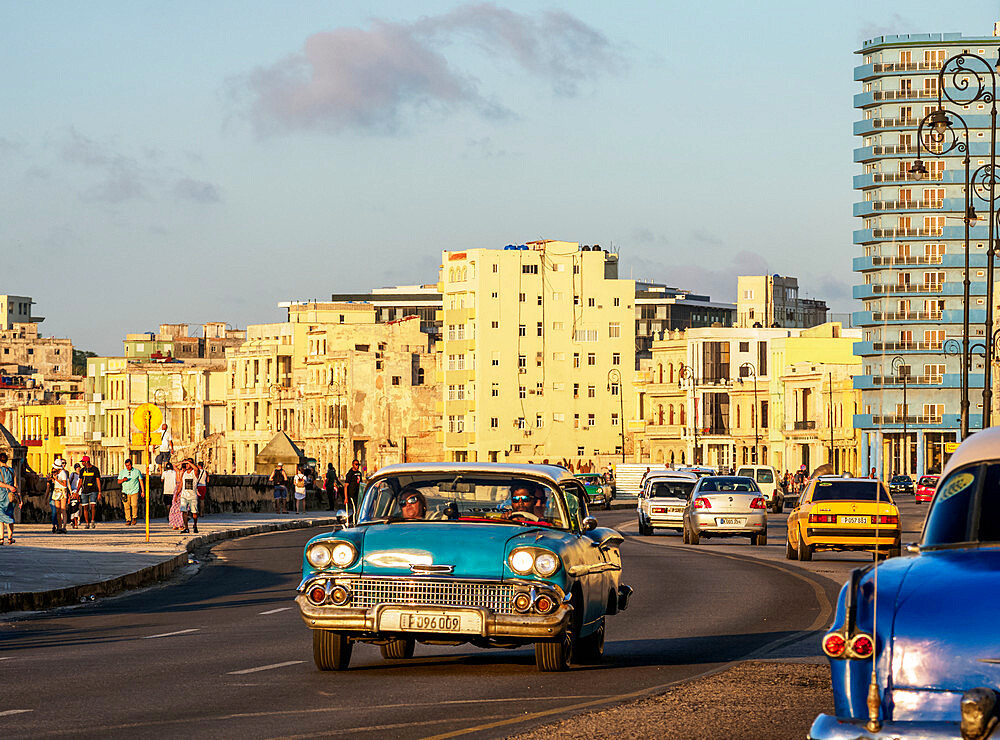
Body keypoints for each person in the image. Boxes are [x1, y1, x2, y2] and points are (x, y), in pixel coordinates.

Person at [117, 458, 144, 526]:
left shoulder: (137, 471)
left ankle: (134, 517)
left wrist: (143, 491)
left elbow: (140, 481)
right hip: (125, 491)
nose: (128, 467)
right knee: (126, 506)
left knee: (134, 505)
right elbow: (118, 481)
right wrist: (123, 480)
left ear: (131, 465)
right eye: (126, 465)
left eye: (129, 465)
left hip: (134, 491)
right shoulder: (122, 472)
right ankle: (128, 519)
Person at [78, 455, 102, 529]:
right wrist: (77, 491)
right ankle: (87, 523)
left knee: (93, 506)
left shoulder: (95, 469)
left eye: (83, 462)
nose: (82, 463)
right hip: (84, 491)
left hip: (93, 490)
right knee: (85, 507)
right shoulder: (82, 470)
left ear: (86, 462)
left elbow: (98, 480)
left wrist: (99, 491)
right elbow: (80, 481)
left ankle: (92, 521)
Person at [0, 451, 18, 545]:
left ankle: (1, 538)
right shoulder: (12, 470)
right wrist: (20, 498)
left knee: (1, 518)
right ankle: (10, 538)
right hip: (11, 496)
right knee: (9, 514)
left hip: (1, 496)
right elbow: (16, 485)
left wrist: (7, 486)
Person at [178, 459, 199, 533]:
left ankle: (195, 525)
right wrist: (178, 493)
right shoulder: (184, 473)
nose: (186, 465)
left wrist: (189, 462)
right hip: (184, 495)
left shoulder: (194, 473)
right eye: (186, 464)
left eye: (188, 464)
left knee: (194, 513)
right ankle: (186, 527)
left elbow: (196, 468)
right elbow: (181, 483)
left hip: (192, 495)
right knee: (184, 511)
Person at [50, 458, 70, 533]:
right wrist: (53, 479)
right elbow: (55, 483)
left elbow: (65, 484)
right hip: (56, 490)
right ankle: (59, 526)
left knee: (63, 509)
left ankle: (64, 526)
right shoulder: (56, 473)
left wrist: (57, 479)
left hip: (62, 491)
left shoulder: (63, 473)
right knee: (57, 510)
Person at [161, 462, 183, 530]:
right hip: (174, 490)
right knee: (175, 506)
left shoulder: (164, 473)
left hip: (166, 491)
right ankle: (178, 522)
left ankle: (170, 516)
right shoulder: (175, 472)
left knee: (168, 504)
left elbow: (162, 480)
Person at [68, 463, 82, 529]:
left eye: (79, 467)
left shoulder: (82, 475)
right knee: (73, 506)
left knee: (79, 506)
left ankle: (78, 519)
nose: (78, 468)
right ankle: (73, 519)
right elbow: (69, 482)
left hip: (80, 491)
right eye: (77, 467)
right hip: (73, 491)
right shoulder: (73, 474)